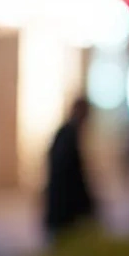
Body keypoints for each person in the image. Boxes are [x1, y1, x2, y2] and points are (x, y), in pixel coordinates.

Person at [44, 98, 97, 241]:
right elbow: (70, 176)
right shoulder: (68, 135)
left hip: (62, 209)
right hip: (63, 210)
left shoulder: (66, 134)